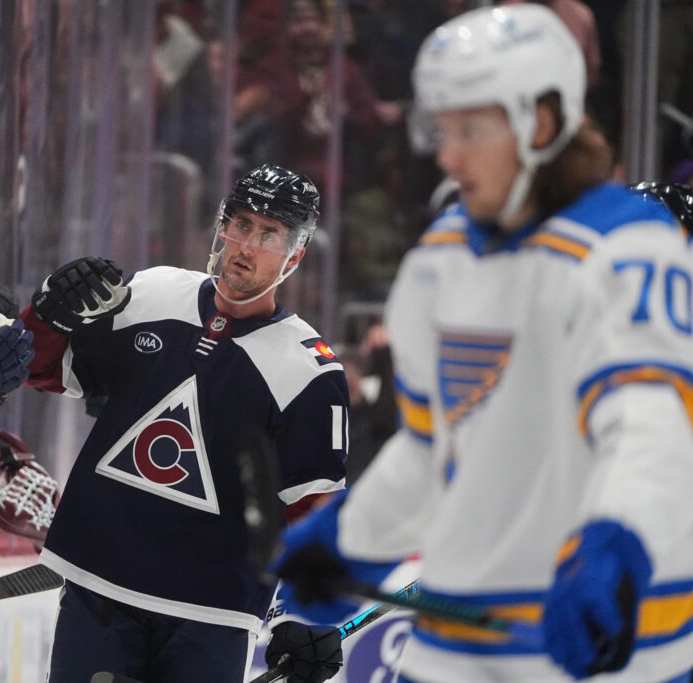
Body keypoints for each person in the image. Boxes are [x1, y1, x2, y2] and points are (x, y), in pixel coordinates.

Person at [272, 5, 693, 682]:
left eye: (472, 130)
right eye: (443, 130)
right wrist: (350, 539)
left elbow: (647, 434)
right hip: (454, 649)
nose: (448, 155)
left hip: (611, 650)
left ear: (541, 125)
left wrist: (614, 550)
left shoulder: (623, 251)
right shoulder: (440, 263)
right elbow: (432, 450)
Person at [22, 164, 349, 682]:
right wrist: (46, 317)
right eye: (241, 224)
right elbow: (41, 367)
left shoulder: (310, 370)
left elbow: (314, 508)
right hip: (99, 587)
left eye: (269, 234)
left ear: (295, 255)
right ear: (222, 225)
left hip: (212, 615)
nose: (247, 245)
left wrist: (307, 613)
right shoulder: (153, 293)